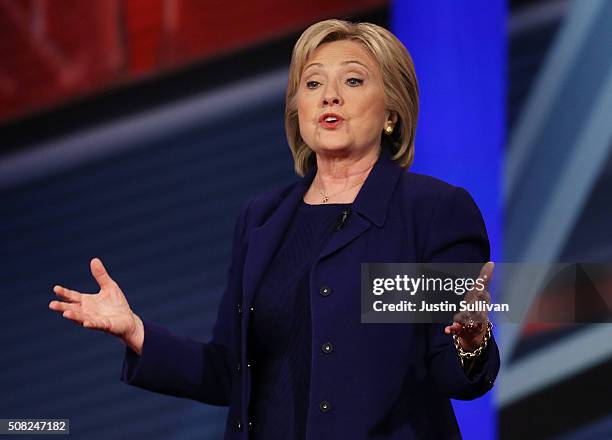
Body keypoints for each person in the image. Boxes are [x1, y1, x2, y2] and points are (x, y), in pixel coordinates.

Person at [49, 19, 500, 440]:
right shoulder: (261, 218)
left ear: (391, 113)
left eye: (354, 80)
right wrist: (137, 332)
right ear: (298, 109)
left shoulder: (433, 212)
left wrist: (474, 341)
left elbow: (455, 374)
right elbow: (231, 372)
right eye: (313, 82)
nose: (330, 96)